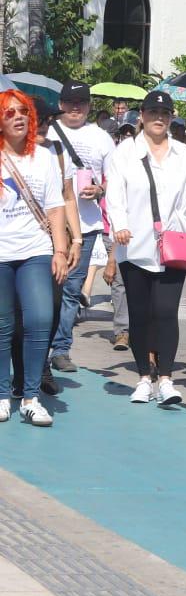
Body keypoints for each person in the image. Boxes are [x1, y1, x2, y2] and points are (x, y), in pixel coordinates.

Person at [105, 90, 186, 407]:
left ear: (171, 116)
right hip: (134, 247)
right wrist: (119, 224)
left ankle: (165, 379)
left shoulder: (184, 155)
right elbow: (115, 194)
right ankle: (142, 378)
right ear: (142, 117)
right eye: (152, 112)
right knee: (139, 316)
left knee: (165, 313)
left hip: (173, 247)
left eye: (164, 113)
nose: (158, 118)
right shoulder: (124, 153)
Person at [0, 91, 70, 426]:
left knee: (41, 318)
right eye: (9, 112)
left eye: (23, 111)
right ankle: (3, 394)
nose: (17, 116)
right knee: (3, 325)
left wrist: (60, 249)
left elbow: (56, 206)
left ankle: (30, 397)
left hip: (36, 250)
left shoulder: (43, 157)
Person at [44, 80, 116, 374]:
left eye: (82, 103)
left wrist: (100, 190)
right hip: (46, 227)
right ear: (60, 104)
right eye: (70, 103)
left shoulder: (102, 138)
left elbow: (114, 178)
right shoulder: (44, 132)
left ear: (89, 106)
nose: (76, 108)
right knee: (46, 291)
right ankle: (35, 348)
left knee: (72, 290)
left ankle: (61, 349)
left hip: (85, 227)